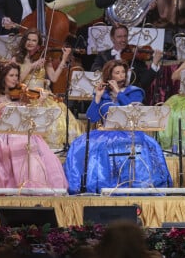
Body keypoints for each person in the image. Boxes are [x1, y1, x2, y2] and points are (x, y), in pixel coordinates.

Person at [64, 59, 172, 194]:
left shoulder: (135, 92)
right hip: (106, 132)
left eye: (123, 72)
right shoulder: (103, 93)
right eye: (117, 73)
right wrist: (97, 97)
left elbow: (133, 111)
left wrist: (118, 92)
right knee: (83, 145)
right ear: (110, 76)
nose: (121, 75)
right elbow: (92, 117)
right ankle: (98, 185)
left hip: (128, 132)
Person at [0, 61, 68, 189]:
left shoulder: (21, 94)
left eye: (17, 76)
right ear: (3, 77)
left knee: (29, 144)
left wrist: (40, 102)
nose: (15, 79)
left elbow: (30, 116)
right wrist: (2, 105)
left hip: (20, 132)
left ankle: (31, 185)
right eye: (11, 75)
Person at [12, 29, 84, 149]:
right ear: (24, 41)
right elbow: (16, 81)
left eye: (34, 40)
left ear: (39, 44)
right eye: (28, 39)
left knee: (60, 114)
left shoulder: (43, 58)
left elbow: (54, 78)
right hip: (26, 96)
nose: (30, 42)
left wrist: (64, 58)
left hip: (44, 95)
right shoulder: (16, 59)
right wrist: (31, 66)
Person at [91, 24, 162, 98]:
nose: (123, 40)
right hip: (108, 95)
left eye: (125, 36)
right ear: (112, 38)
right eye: (119, 37)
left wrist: (154, 64)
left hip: (130, 97)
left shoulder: (135, 57)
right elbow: (95, 69)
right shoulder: (103, 55)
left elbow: (144, 83)